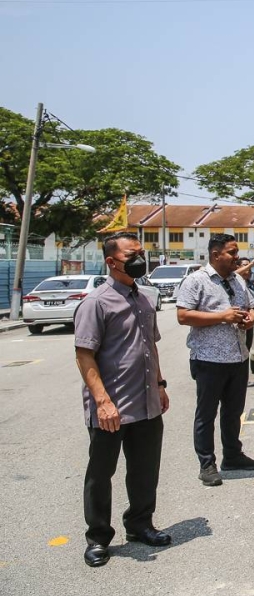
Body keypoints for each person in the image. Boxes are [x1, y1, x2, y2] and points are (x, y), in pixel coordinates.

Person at [74, 232, 171, 568]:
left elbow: (151, 346)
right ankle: (98, 537)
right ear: (112, 262)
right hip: (110, 407)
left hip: (146, 402)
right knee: (101, 473)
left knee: (145, 470)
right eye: (132, 254)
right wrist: (102, 401)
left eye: (141, 253)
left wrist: (160, 383)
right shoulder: (96, 303)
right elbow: (84, 355)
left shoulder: (144, 298)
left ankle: (140, 523)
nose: (139, 259)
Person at [175, 233, 254, 487]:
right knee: (206, 413)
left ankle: (233, 456)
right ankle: (207, 463)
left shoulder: (237, 280)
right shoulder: (196, 281)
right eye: (232, 252)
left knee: (233, 412)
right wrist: (222, 317)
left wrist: (250, 319)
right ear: (216, 255)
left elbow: (252, 308)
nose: (237, 257)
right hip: (208, 359)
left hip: (237, 357)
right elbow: (183, 316)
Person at [236, 257, 254, 351]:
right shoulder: (232, 280)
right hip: (235, 323)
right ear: (238, 267)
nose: (248, 269)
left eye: (250, 267)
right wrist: (251, 264)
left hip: (248, 321)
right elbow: (235, 274)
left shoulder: (250, 280)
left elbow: (253, 304)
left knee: (247, 347)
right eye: (245, 266)